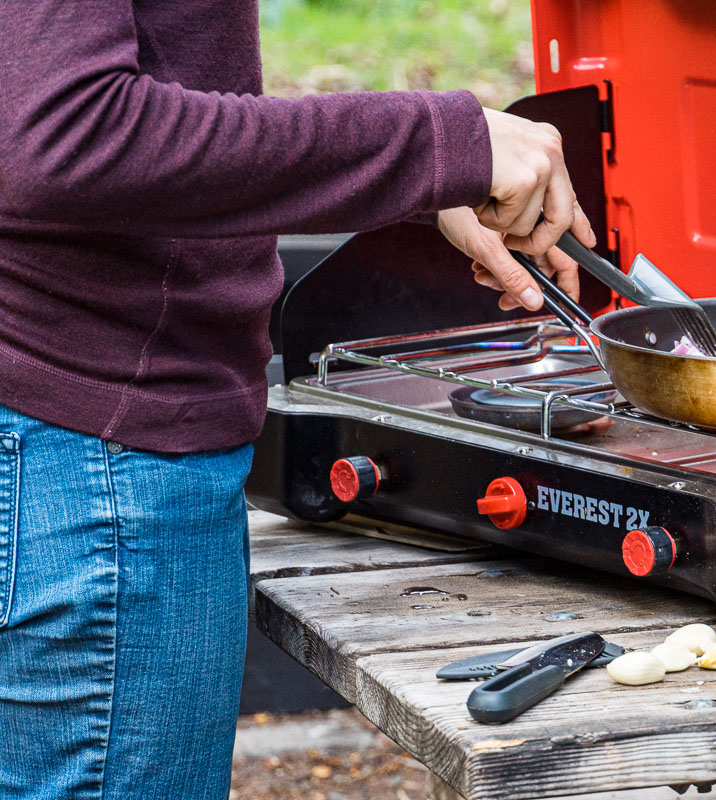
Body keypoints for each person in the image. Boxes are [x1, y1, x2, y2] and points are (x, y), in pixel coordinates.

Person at [0, 1, 594, 797]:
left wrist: (424, 179)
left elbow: (151, 77)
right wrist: (437, 141)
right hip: (88, 457)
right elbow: (70, 132)